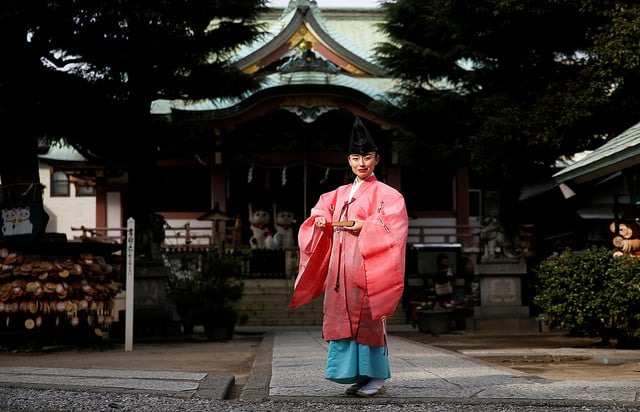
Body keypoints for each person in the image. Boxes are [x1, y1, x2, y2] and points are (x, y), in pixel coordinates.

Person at [290, 116, 409, 397]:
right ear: (349, 160)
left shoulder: (389, 195)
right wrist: (319, 220)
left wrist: (365, 225)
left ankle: (376, 377)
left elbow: (395, 227)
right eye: (356, 158)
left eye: (367, 157)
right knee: (342, 318)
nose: (361, 163)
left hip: (367, 267)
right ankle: (356, 375)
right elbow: (321, 209)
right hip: (340, 269)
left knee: (368, 320)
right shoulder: (340, 193)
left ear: (377, 160)